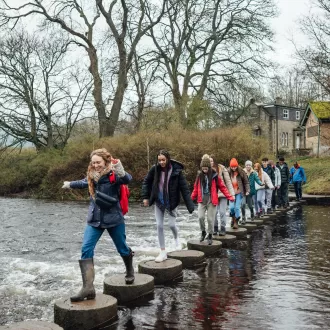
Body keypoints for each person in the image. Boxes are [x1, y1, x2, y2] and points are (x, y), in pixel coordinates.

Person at [61, 148, 134, 302]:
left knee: (122, 247)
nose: (95, 165)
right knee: (86, 249)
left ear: (105, 161)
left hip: (114, 219)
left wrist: (120, 168)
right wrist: (69, 184)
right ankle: (88, 288)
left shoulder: (114, 174)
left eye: (98, 162)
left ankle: (129, 269)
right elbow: (82, 183)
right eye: (93, 162)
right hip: (95, 219)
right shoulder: (91, 175)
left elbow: (127, 179)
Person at [141, 149, 194, 262]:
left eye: (163, 160)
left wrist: (190, 205)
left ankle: (176, 238)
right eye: (159, 160)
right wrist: (145, 197)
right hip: (159, 201)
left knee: (171, 225)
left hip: (172, 202)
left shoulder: (176, 171)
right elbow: (146, 182)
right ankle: (163, 251)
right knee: (159, 225)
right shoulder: (154, 169)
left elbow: (184, 189)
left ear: (168, 159)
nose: (161, 162)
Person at [191, 154, 234, 244]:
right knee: (200, 217)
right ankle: (203, 232)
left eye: (206, 168)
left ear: (209, 167)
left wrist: (229, 196)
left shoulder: (215, 176)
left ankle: (210, 234)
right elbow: (196, 188)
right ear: (201, 167)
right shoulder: (199, 176)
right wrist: (190, 199)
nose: (205, 170)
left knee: (210, 219)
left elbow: (223, 187)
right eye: (203, 168)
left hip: (211, 201)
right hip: (202, 201)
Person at [210, 155, 234, 236]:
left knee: (222, 212)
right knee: (214, 212)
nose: (211, 163)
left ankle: (223, 228)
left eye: (212, 161)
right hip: (213, 195)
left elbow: (228, 182)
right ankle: (215, 228)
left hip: (223, 193)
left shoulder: (222, 168)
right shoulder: (207, 170)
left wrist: (232, 194)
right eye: (209, 161)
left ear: (215, 161)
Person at [228, 158, 250, 229]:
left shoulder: (241, 172)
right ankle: (233, 219)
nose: (233, 168)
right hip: (231, 193)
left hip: (239, 192)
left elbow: (246, 182)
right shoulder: (228, 172)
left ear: (237, 166)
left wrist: (247, 190)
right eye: (232, 167)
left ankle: (236, 221)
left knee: (237, 207)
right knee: (231, 208)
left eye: (235, 167)